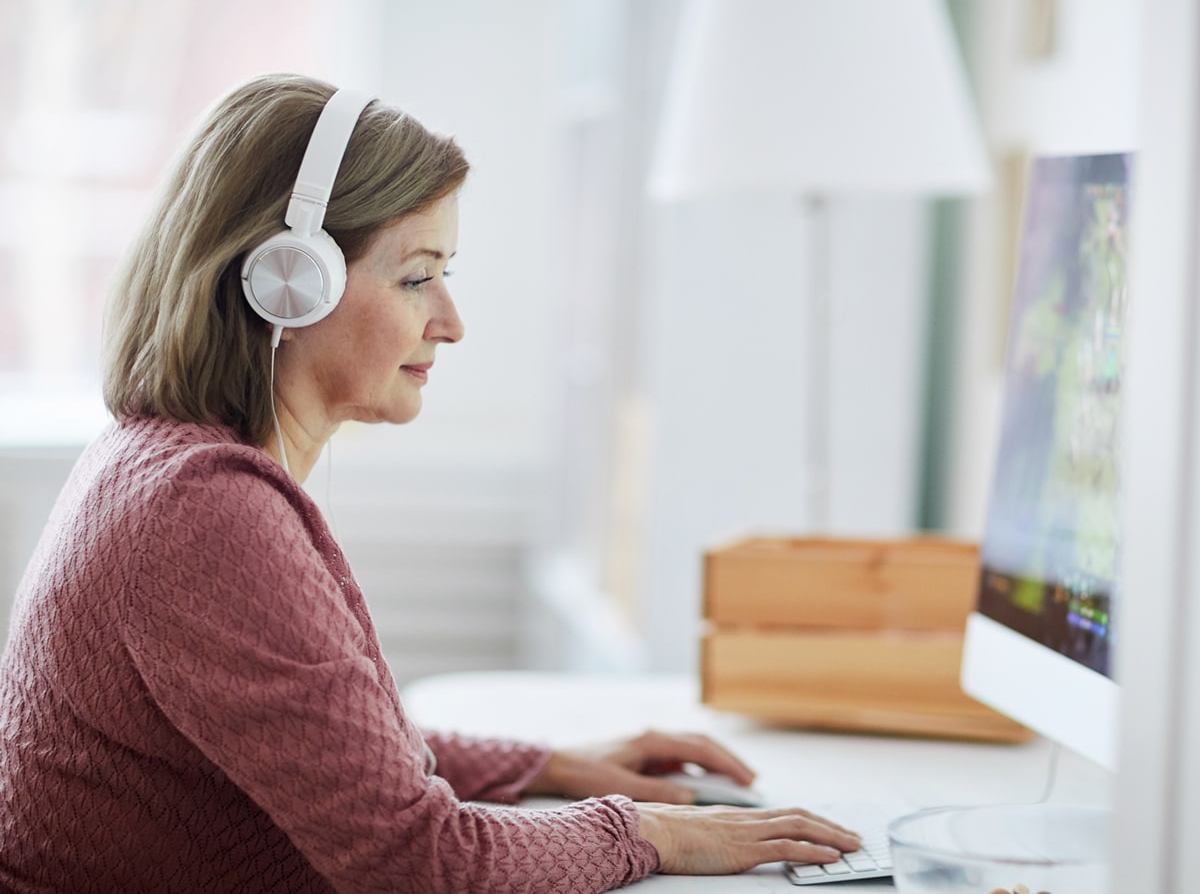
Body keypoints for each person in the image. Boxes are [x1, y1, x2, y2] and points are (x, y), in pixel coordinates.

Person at [0, 73, 860, 893]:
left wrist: (548, 768)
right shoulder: (204, 512)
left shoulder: (155, 465)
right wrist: (650, 831)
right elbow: (420, 863)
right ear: (287, 283)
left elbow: (327, 747)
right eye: (417, 276)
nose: (450, 321)